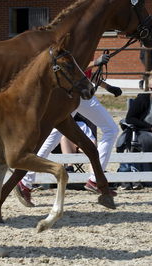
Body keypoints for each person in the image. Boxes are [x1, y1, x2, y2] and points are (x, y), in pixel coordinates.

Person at [14, 54, 121, 207]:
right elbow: (74, 66)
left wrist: (108, 87)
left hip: (80, 94)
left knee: (53, 135)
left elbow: (87, 74)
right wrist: (96, 62)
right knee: (110, 129)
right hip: (72, 94)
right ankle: (95, 179)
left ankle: (25, 182)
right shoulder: (80, 39)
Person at [122, 70, 152, 188]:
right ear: (148, 88)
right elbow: (130, 118)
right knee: (150, 140)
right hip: (146, 131)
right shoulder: (143, 98)